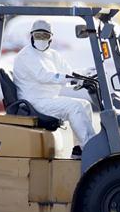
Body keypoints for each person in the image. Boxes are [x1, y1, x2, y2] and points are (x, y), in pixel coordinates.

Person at [13, 20, 97, 152]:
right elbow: (44, 75)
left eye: (44, 36)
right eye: (38, 36)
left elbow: (67, 72)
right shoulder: (26, 55)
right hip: (34, 102)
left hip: (49, 99)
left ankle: (80, 149)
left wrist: (83, 74)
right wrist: (70, 78)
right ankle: (92, 150)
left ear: (51, 38)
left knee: (85, 104)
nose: (41, 39)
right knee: (74, 107)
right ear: (31, 36)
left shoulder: (53, 55)